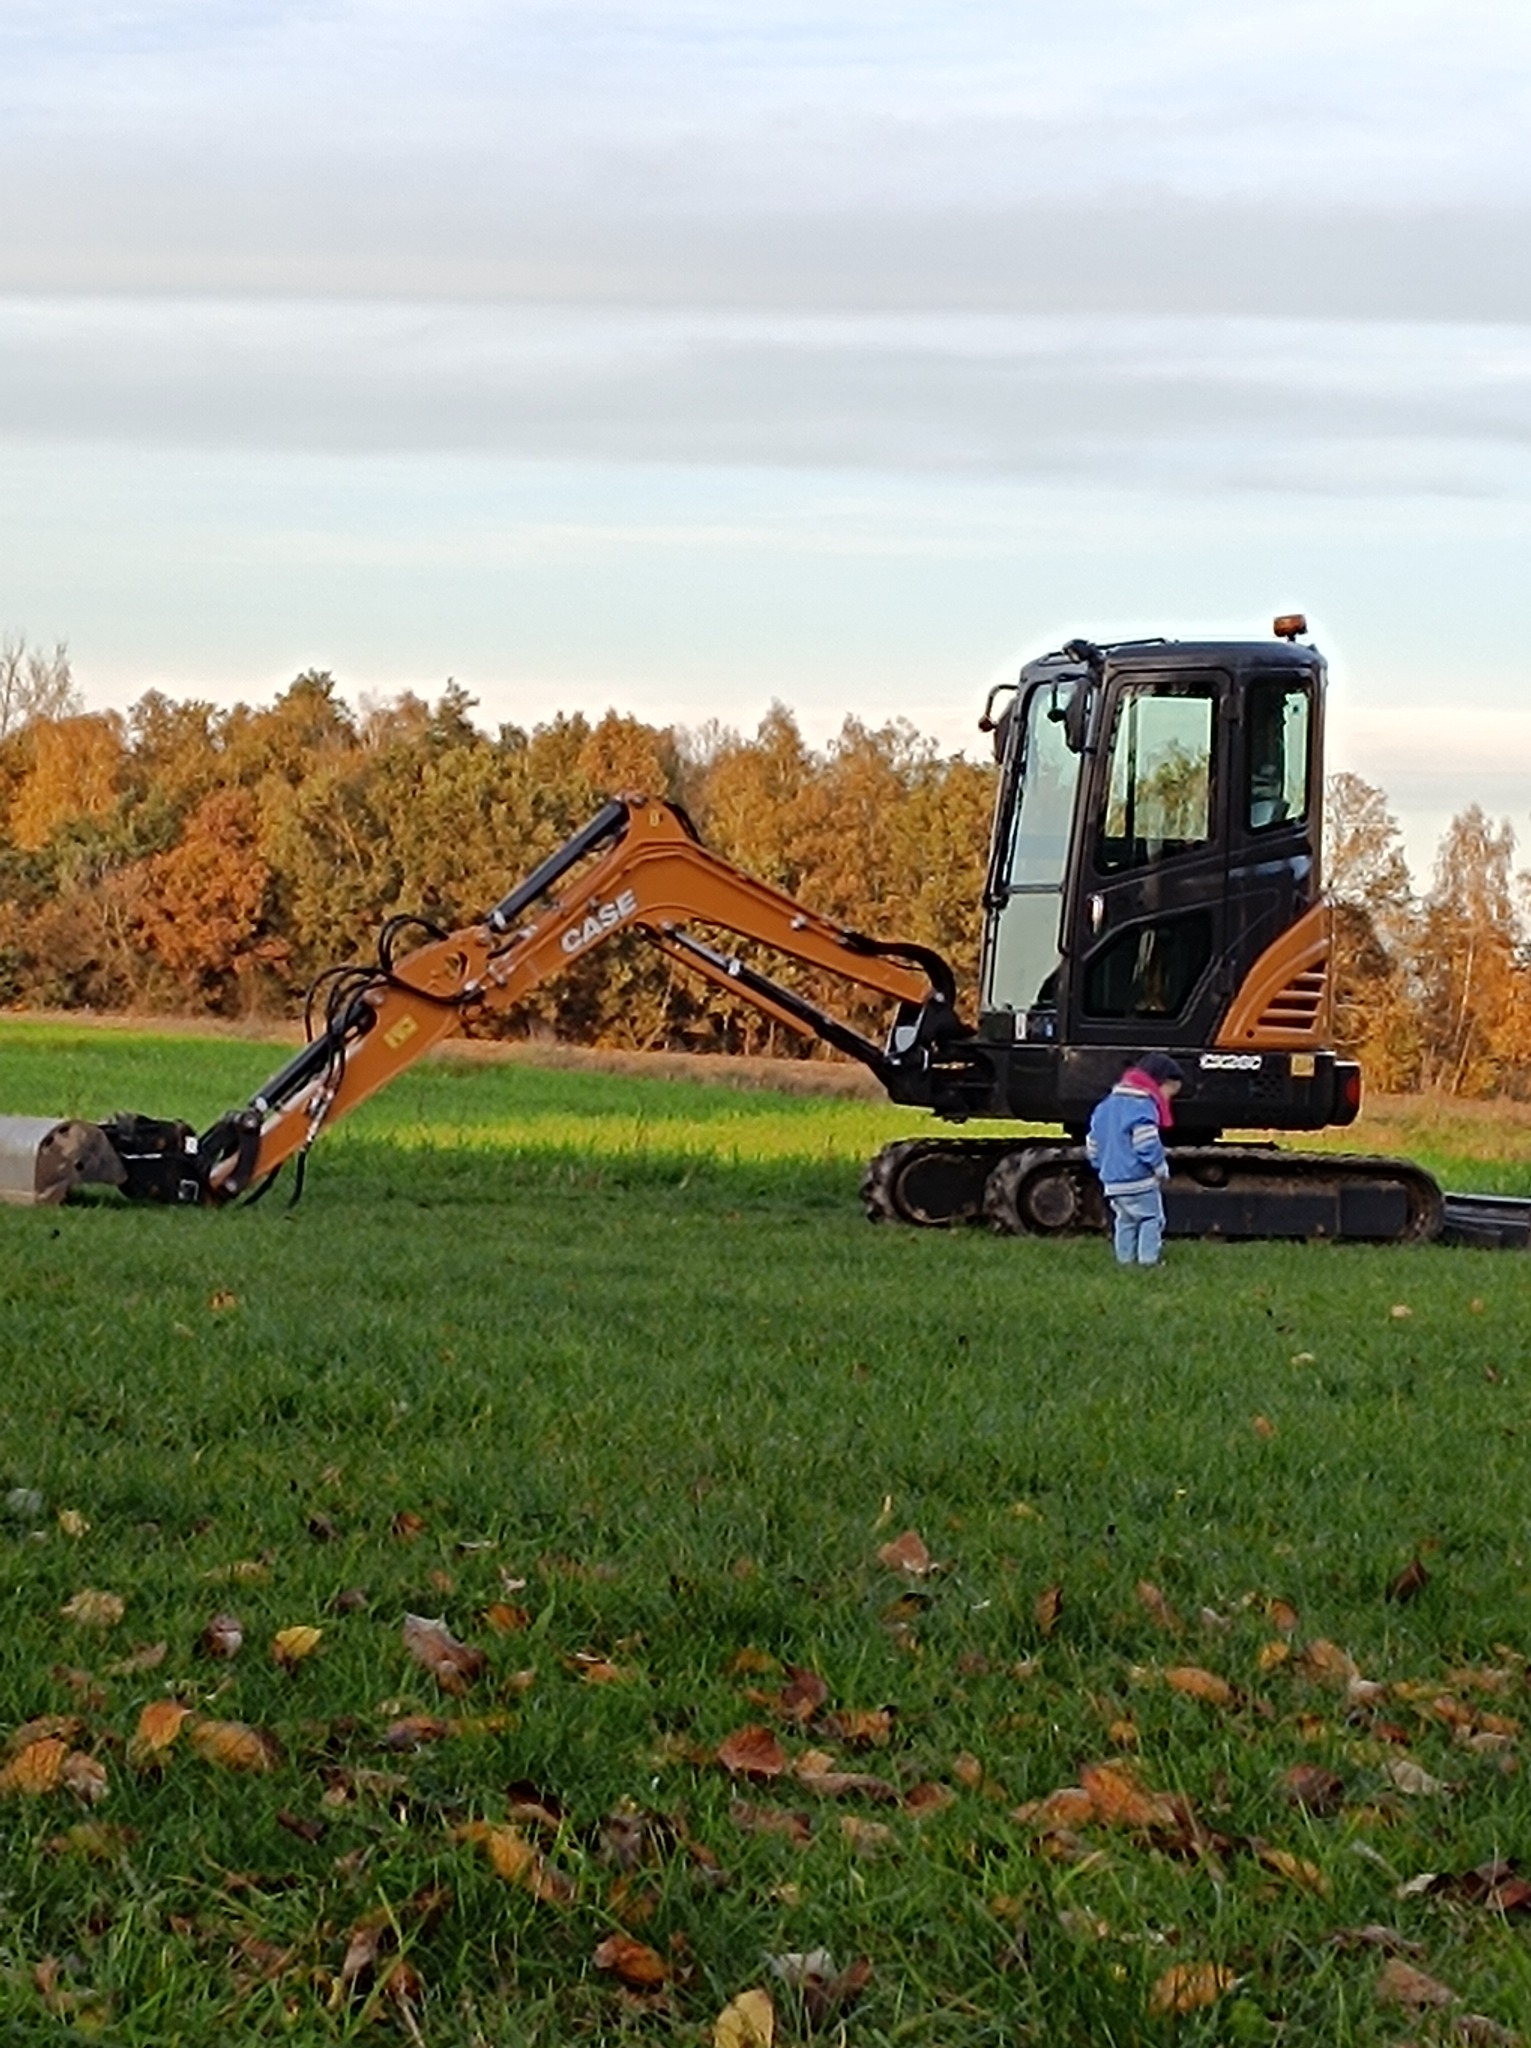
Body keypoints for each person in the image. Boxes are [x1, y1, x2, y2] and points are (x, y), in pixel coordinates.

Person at [1085, 1053, 1185, 1267]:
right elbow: (1145, 1143)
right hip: (1137, 1179)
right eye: (1169, 1093)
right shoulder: (1142, 1106)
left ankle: (1125, 1260)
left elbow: (1093, 1144)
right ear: (1160, 1083)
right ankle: (1148, 1261)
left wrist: (1100, 1166)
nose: (1167, 1100)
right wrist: (1160, 1167)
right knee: (1151, 1219)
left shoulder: (1105, 1106)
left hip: (1112, 1180)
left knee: (1125, 1220)